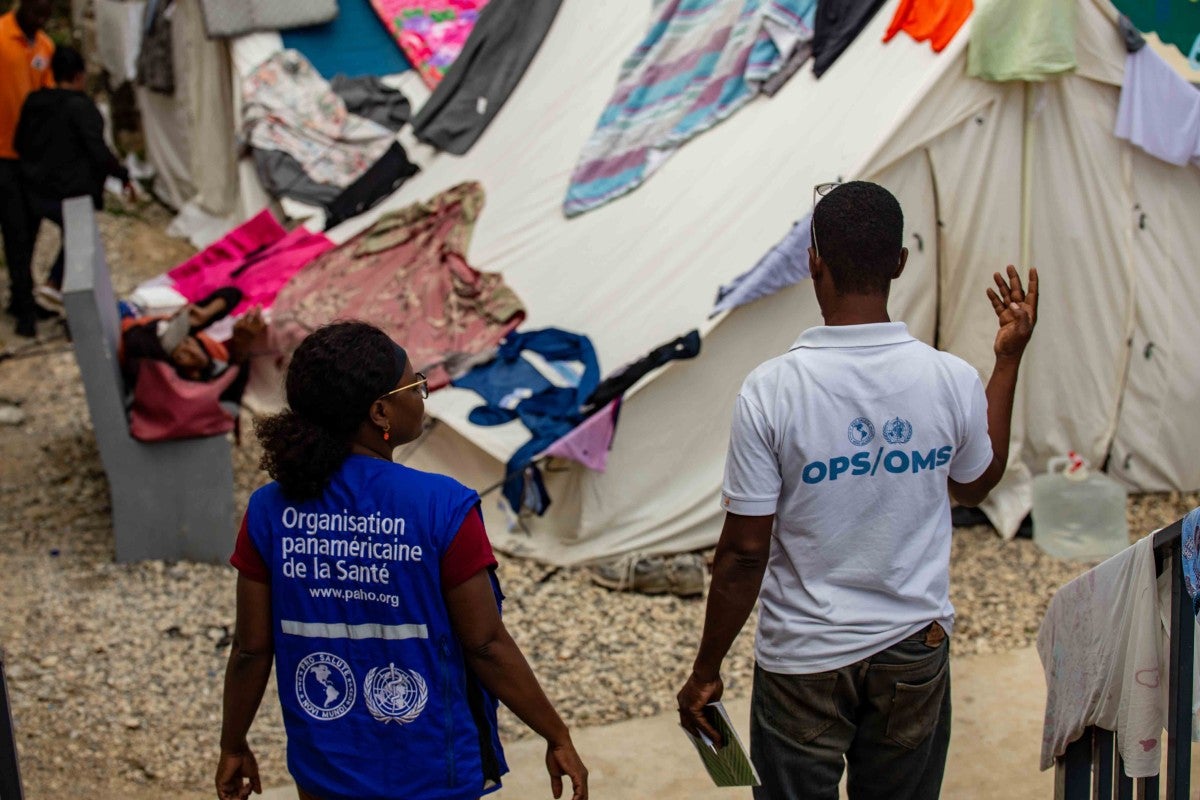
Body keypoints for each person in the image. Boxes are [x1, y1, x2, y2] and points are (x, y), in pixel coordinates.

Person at [676, 181, 1039, 800]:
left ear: (812, 260)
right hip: (913, 653)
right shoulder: (949, 378)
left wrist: (706, 669)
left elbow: (743, 553)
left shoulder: (772, 391)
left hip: (803, 660)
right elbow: (977, 485)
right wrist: (1006, 362)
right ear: (900, 262)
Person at [216, 321, 588, 800]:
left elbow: (250, 649)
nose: (423, 394)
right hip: (432, 768)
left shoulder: (269, 510)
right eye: (415, 385)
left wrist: (233, 743)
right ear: (379, 411)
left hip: (325, 770)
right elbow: (486, 644)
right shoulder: (442, 506)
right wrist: (556, 734)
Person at [15, 45, 133, 315]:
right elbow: (98, 149)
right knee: (80, 241)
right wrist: (122, 175)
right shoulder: (82, 108)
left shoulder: (33, 102)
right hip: (71, 192)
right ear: (80, 75)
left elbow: (19, 141)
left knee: (25, 246)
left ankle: (24, 300)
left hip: (32, 187)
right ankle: (58, 286)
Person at [0, 0, 53, 338]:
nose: (40, 18)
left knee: (29, 226)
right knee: (14, 227)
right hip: (1, 152)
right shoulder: (1, 35)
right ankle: (22, 303)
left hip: (31, 156)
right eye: (36, 10)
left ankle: (21, 295)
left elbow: (46, 99)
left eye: (46, 13)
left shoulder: (44, 45)